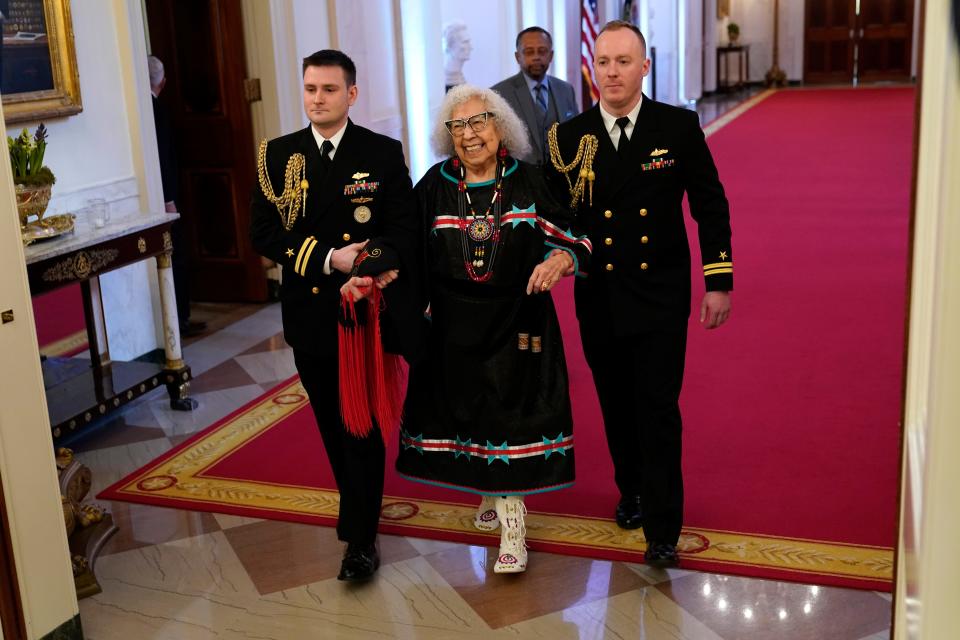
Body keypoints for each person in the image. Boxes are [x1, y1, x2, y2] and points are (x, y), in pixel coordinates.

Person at [547, 21, 733, 568]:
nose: (611, 72)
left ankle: (663, 522)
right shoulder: (567, 138)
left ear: (644, 67)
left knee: (656, 407)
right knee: (615, 403)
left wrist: (717, 280)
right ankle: (629, 489)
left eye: (623, 62)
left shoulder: (676, 127)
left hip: (658, 295)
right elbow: (556, 216)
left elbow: (710, 205)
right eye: (603, 61)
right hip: (598, 293)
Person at [388, 85, 590, 574]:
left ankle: (513, 531)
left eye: (479, 122)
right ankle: (488, 491)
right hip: (454, 324)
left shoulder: (530, 181)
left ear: (502, 128)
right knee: (468, 411)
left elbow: (573, 235)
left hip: (519, 322)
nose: (469, 135)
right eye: (458, 127)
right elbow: (406, 246)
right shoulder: (434, 185)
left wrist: (560, 258)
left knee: (512, 417)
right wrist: (381, 272)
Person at [250, 50, 419, 582]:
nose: (317, 99)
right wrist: (330, 261)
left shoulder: (382, 151)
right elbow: (265, 234)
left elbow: (402, 228)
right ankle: (358, 510)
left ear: (351, 94)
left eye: (328, 89)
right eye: (309, 89)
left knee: (362, 425)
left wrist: (365, 268)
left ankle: (360, 540)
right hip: (312, 313)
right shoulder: (277, 156)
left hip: (366, 313)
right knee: (330, 422)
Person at [148, 55, 206, 337]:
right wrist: (169, 196)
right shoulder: (155, 110)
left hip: (159, 193)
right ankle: (179, 318)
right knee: (176, 255)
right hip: (165, 196)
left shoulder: (150, 107)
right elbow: (164, 158)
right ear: (164, 82)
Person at [491, 26, 578, 166]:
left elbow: (576, 134)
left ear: (551, 55)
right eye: (529, 52)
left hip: (562, 179)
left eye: (542, 51)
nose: (536, 57)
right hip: (520, 181)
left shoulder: (566, 90)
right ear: (518, 57)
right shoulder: (499, 94)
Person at [443, 22, 472, 92]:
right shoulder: (445, 78)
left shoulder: (459, 77)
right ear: (450, 44)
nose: (471, 47)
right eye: (465, 42)